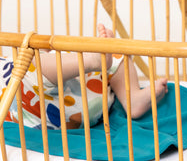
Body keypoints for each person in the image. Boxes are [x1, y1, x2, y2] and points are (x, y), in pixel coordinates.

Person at [0, 23, 168, 129]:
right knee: (31, 63)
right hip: (32, 102)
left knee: (37, 64)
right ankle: (92, 61)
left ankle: (132, 98)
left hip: (77, 105)